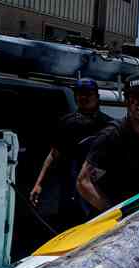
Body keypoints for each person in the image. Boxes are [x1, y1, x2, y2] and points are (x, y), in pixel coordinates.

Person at [77, 74, 139, 212]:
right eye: (135, 97)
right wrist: (114, 211)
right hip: (118, 215)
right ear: (126, 101)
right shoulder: (111, 136)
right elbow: (83, 182)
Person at [29, 78, 114, 227]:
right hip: (71, 193)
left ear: (97, 97)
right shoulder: (66, 123)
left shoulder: (110, 125)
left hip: (99, 192)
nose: (84, 97)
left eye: (89, 93)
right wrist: (39, 184)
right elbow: (53, 155)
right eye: (80, 94)